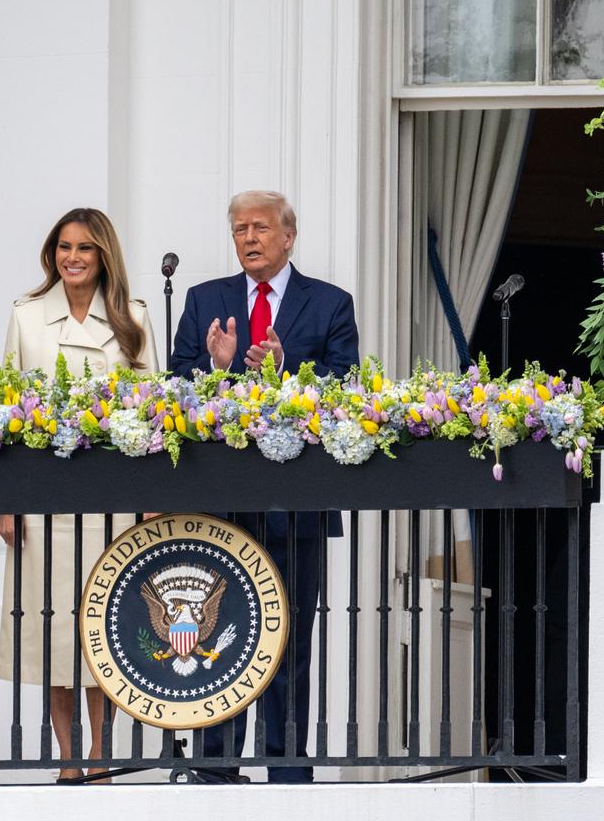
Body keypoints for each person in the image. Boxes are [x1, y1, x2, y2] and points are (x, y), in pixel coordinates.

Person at [169, 190, 359, 782]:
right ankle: (217, 768)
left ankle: (288, 773)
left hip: (295, 508)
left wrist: (284, 372)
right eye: (239, 229)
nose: (248, 238)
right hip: (221, 508)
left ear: (288, 236)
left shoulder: (329, 304)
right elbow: (175, 383)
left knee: (287, 645)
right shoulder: (206, 301)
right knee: (218, 640)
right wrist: (220, 370)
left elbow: (346, 384)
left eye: (259, 227)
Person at [0, 207, 158, 781]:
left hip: (111, 503)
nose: (72, 257)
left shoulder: (132, 317)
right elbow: (6, 413)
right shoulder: (26, 315)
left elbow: (149, 414)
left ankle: (101, 753)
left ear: (103, 256)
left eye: (84, 248)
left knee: (104, 632)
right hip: (45, 501)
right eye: (64, 247)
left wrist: (149, 500)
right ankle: (68, 759)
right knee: (54, 631)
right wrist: (8, 502)